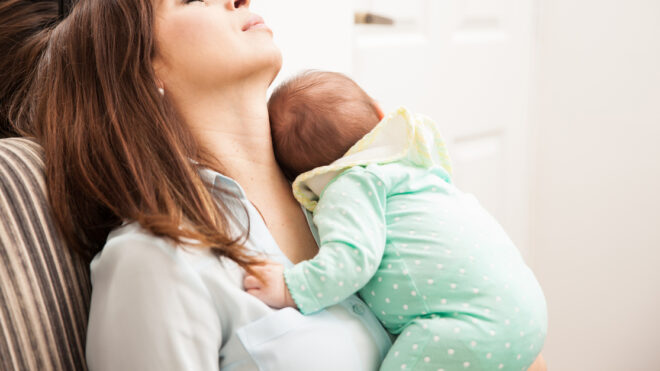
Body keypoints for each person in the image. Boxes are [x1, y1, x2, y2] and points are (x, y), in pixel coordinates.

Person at [245, 71, 548, 371]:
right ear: (381, 114)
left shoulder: (351, 185)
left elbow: (351, 258)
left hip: (464, 330)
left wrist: (292, 288)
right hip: (525, 312)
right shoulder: (412, 168)